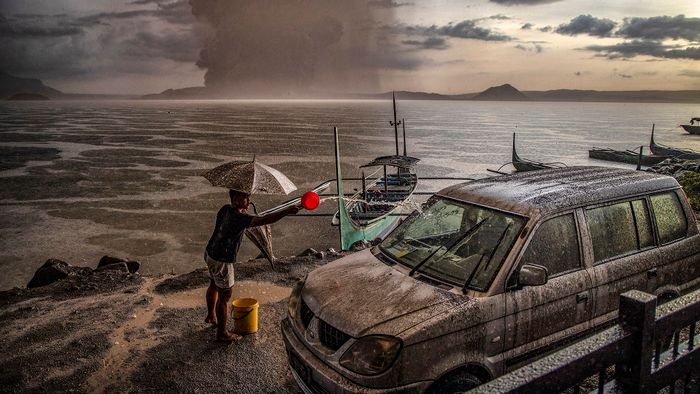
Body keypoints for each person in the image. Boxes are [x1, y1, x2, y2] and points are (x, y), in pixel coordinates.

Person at [204, 189, 300, 342]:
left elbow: (254, 219)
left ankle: (211, 316)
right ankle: (222, 333)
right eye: (245, 197)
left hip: (210, 253)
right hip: (222, 260)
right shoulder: (239, 218)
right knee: (225, 296)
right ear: (235, 199)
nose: (249, 200)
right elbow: (264, 220)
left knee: (214, 284)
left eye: (249, 197)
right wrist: (287, 211)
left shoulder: (225, 209)